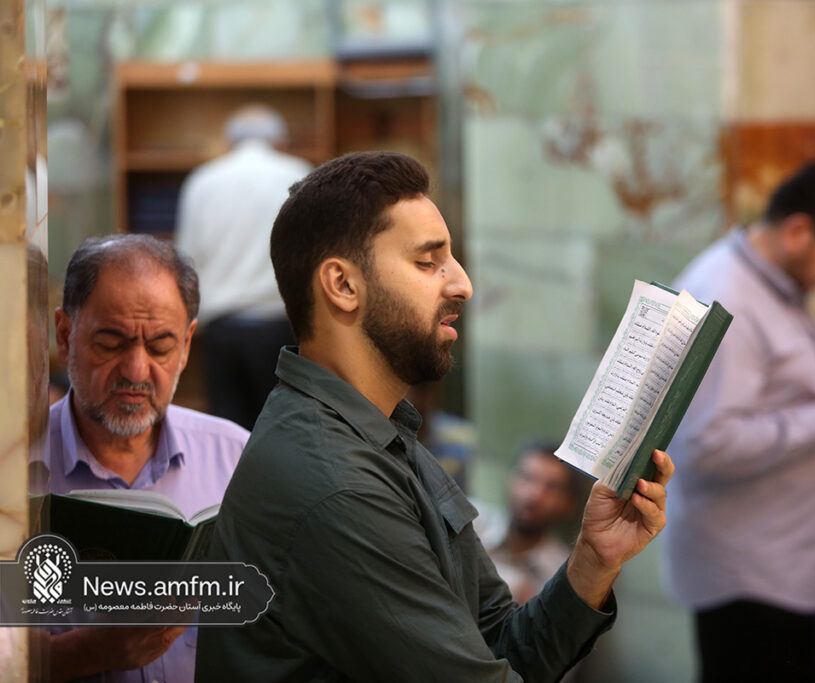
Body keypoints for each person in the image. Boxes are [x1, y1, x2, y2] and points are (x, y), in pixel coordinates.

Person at [195, 151, 674, 681]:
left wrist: (593, 560)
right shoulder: (334, 483)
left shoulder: (381, 432)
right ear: (343, 285)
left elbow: (495, 640)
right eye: (428, 262)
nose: (462, 284)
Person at [663, 161, 815, 682]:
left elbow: (779, 393)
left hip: (787, 572)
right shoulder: (726, 295)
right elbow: (705, 444)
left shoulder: (770, 283)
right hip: (750, 583)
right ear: (799, 230)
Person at [30, 234, 248, 683]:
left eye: (161, 347)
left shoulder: (236, 458)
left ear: (186, 346)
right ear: (65, 336)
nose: (135, 371)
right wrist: (84, 652)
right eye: (111, 343)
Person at [175, 103, 313, 430]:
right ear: (280, 141)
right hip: (282, 328)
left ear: (229, 142)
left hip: (222, 329)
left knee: (228, 435)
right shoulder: (300, 175)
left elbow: (186, 259)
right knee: (284, 431)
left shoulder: (202, 181)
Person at [475, 443, 583, 604]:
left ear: (569, 504)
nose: (534, 496)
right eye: (526, 477)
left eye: (551, 487)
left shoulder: (562, 576)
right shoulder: (470, 524)